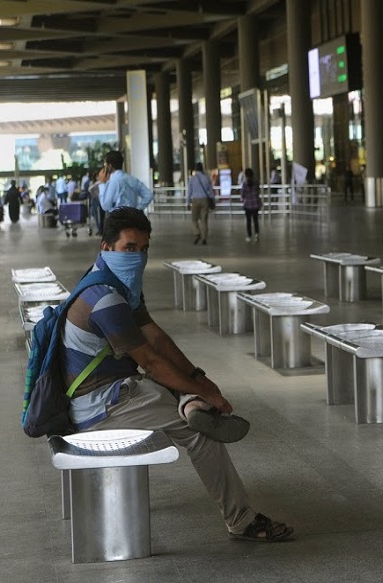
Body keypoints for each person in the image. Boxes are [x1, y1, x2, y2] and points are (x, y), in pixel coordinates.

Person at [61, 207, 294, 542]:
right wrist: (208, 391)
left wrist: (197, 377)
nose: (138, 256)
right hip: (98, 409)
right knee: (200, 435)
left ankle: (191, 402)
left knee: (176, 385)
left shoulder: (113, 282)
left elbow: (155, 336)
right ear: (106, 246)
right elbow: (151, 362)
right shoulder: (104, 298)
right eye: (129, 247)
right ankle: (241, 519)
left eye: (144, 249)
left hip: (113, 392)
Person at [187, 162, 215, 245]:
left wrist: (188, 202)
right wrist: (213, 201)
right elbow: (211, 192)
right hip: (205, 200)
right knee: (204, 220)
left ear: (196, 169)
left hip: (195, 200)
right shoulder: (207, 178)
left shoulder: (192, 178)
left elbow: (189, 192)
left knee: (194, 219)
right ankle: (204, 238)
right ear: (202, 168)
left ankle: (197, 233)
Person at [239, 168, 261, 243]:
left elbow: (242, 195)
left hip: (247, 205)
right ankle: (257, 234)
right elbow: (258, 192)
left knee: (248, 221)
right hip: (255, 205)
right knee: (255, 220)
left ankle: (249, 236)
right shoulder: (256, 183)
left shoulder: (245, 184)